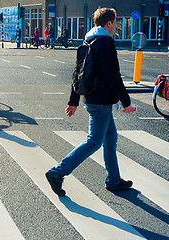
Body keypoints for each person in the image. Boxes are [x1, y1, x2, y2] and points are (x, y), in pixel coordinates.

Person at [45, 8, 136, 197]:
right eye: (115, 23)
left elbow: (77, 74)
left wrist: (74, 101)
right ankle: (57, 172)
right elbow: (113, 77)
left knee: (110, 139)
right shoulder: (105, 43)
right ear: (109, 23)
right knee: (94, 141)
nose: (116, 27)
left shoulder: (87, 40)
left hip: (93, 98)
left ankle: (113, 179)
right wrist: (126, 102)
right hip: (101, 101)